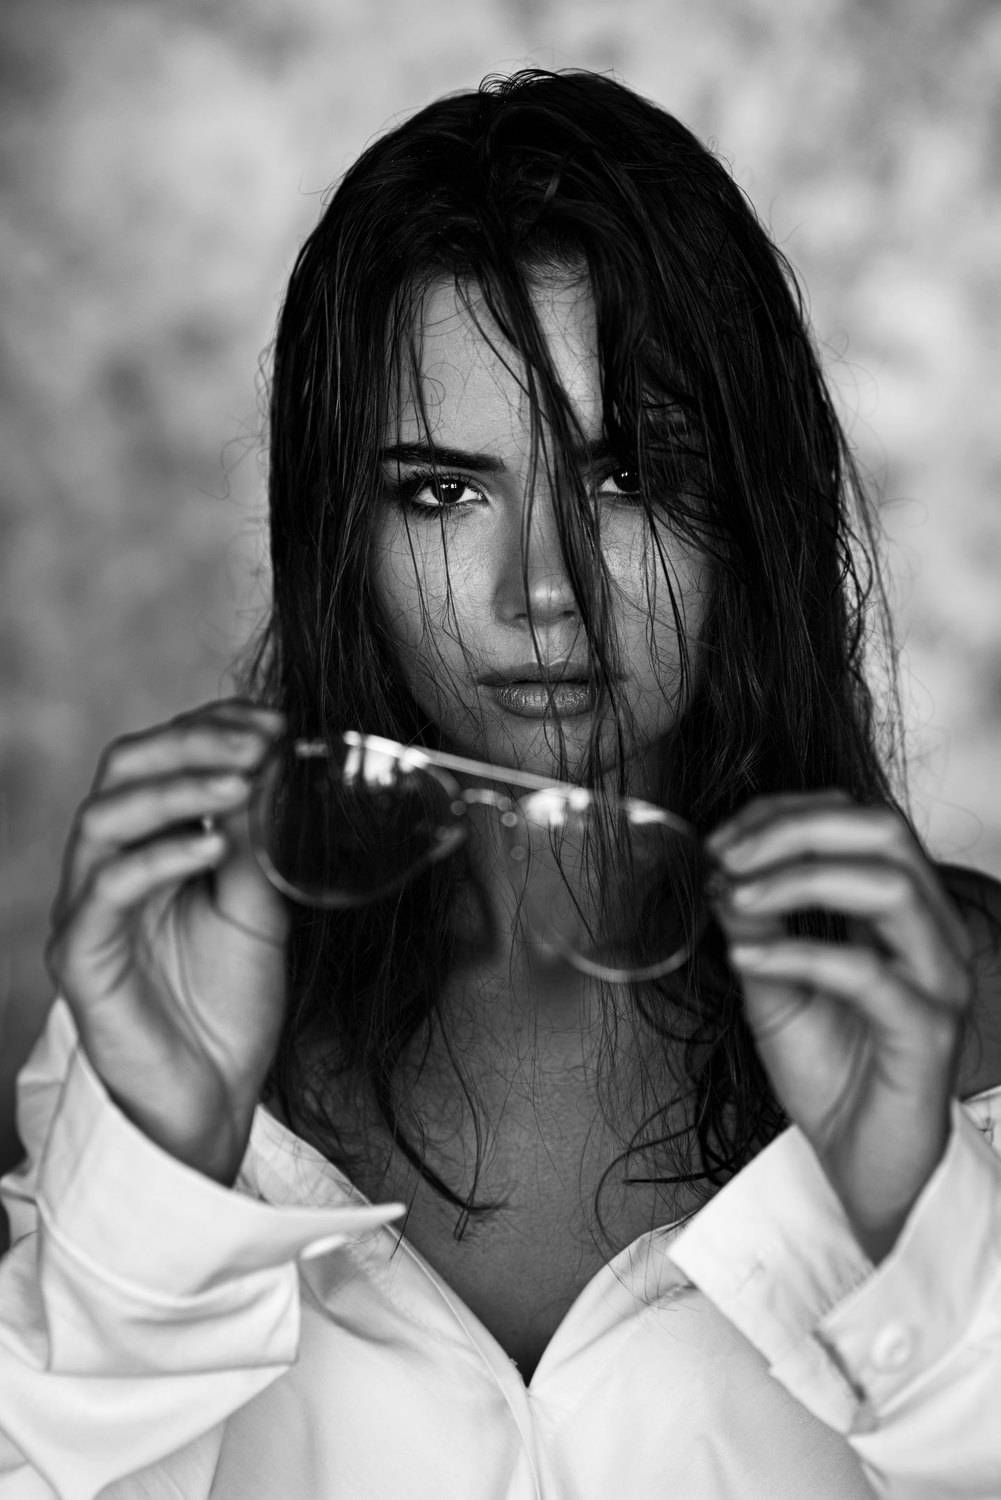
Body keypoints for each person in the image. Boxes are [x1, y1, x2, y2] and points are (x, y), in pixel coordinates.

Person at [1, 67, 999, 1499]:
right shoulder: (179, 993)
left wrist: (914, 1226)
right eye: (441, 491)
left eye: (624, 478)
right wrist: (159, 1169)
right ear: (338, 533)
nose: (541, 591)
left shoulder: (961, 1013)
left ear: (751, 507)